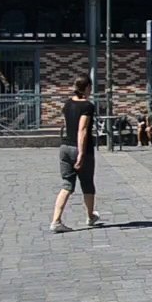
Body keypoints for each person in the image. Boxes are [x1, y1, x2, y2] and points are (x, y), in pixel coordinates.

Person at [50, 76, 101, 233]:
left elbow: (67, 126)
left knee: (67, 185)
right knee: (87, 183)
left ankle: (56, 220)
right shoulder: (87, 106)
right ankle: (90, 216)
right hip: (79, 148)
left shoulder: (67, 104)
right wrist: (81, 153)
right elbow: (83, 129)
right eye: (90, 87)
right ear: (86, 88)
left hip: (64, 146)